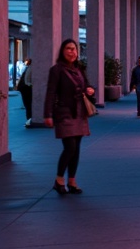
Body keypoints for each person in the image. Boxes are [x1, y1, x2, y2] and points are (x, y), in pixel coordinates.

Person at [43, 39, 93, 195]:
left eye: (74, 49)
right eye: (68, 49)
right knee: (70, 147)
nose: (72, 52)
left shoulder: (79, 69)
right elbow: (51, 92)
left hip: (79, 111)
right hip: (64, 112)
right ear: (62, 51)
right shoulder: (56, 70)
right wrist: (47, 114)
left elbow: (85, 85)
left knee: (76, 148)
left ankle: (72, 180)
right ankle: (59, 180)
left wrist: (90, 89)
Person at [17, 58, 34, 124]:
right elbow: (26, 81)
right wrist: (32, 85)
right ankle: (29, 121)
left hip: (25, 88)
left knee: (28, 106)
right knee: (28, 105)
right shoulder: (31, 68)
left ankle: (29, 120)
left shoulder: (29, 67)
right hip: (26, 89)